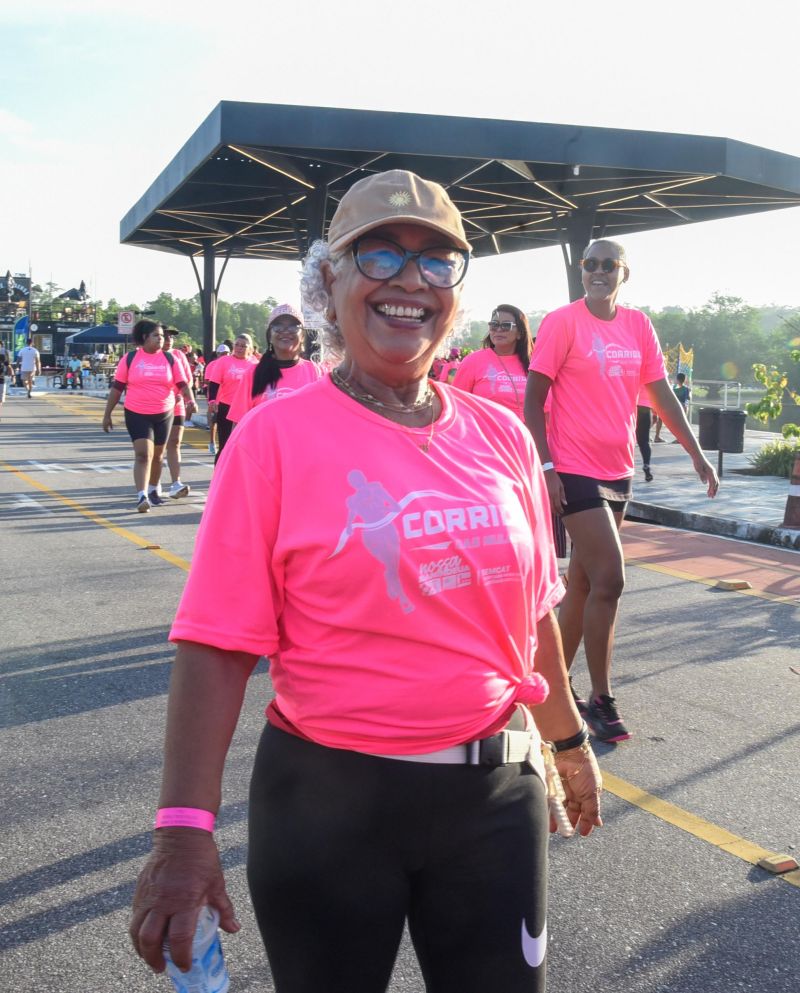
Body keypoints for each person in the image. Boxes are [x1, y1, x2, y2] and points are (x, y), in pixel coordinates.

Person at [130, 169, 602, 993]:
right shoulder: (274, 439)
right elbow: (216, 642)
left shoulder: (501, 438)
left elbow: (534, 618)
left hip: (493, 796)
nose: (409, 280)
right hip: (326, 803)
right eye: (379, 254)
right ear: (329, 281)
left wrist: (568, 741)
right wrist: (182, 836)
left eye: (436, 260)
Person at [525, 239, 719, 743]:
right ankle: (600, 699)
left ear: (624, 274)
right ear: (582, 271)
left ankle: (552, 687)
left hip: (619, 470)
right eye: (590, 264)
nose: (598, 271)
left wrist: (696, 453)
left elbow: (661, 394)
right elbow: (534, 398)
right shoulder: (562, 322)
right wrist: (546, 466)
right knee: (611, 579)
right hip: (572, 467)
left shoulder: (638, 325)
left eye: (609, 265)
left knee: (586, 586)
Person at [101, 320, 195, 513]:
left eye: (162, 336)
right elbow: (117, 388)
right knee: (144, 454)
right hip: (137, 413)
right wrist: (107, 414)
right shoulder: (131, 358)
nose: (161, 339)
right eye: (156, 336)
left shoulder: (171, 359)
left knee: (158, 456)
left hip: (164, 413)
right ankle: (141, 495)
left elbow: (183, 384)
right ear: (145, 337)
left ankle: (153, 490)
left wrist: (191, 401)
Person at [227, 304, 322, 425]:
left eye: (293, 327)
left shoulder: (316, 372)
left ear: (302, 336)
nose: (286, 331)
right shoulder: (253, 374)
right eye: (278, 326)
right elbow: (239, 424)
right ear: (269, 336)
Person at [452, 304, 533, 420]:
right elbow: (456, 404)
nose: (499, 330)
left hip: (527, 436)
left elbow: (545, 408)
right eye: (494, 325)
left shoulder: (533, 363)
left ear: (520, 333)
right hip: (484, 436)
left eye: (506, 326)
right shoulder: (473, 361)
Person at [152, 326, 196, 500]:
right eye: (165, 336)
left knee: (175, 442)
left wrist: (182, 395)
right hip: (157, 406)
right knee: (157, 446)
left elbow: (188, 380)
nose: (168, 339)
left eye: (171, 337)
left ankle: (175, 483)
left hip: (177, 405)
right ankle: (153, 484)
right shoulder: (151, 355)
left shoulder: (179, 355)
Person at [204, 333, 257, 460]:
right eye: (237, 345)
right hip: (227, 407)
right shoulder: (224, 361)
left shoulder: (255, 364)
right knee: (226, 445)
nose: (239, 348)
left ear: (250, 348)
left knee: (245, 446)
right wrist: (212, 400)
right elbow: (214, 383)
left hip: (247, 409)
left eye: (243, 346)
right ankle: (219, 475)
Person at [635, 389, 654, 482]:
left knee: (628, 437)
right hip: (646, 409)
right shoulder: (650, 378)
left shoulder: (632, 376)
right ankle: (646, 464)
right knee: (645, 440)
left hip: (633, 408)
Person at [0, 350, 13, 419]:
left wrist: (13, 376)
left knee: (1, 399)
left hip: (1, 379)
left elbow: (9, 366)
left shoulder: (2, 357)